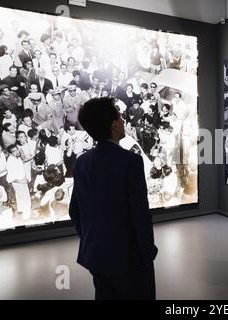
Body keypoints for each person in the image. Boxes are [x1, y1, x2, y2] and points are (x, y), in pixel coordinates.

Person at [69, 97, 158, 300]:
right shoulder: (131, 162)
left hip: (95, 254)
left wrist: (90, 240)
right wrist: (147, 251)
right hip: (129, 258)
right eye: (120, 116)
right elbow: (140, 214)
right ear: (115, 125)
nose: (123, 121)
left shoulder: (82, 162)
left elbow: (74, 210)